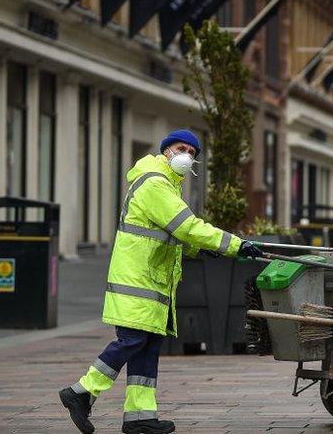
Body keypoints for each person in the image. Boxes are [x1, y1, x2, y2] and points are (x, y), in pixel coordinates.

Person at [59, 129, 262, 434]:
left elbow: (173, 233)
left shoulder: (167, 186)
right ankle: (81, 391)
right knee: (133, 341)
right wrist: (234, 244)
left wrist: (203, 248)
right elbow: (187, 227)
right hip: (137, 280)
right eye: (182, 149)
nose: (187, 156)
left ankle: (139, 418)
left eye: (193, 153)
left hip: (152, 282)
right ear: (166, 150)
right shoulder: (155, 183)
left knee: (147, 346)